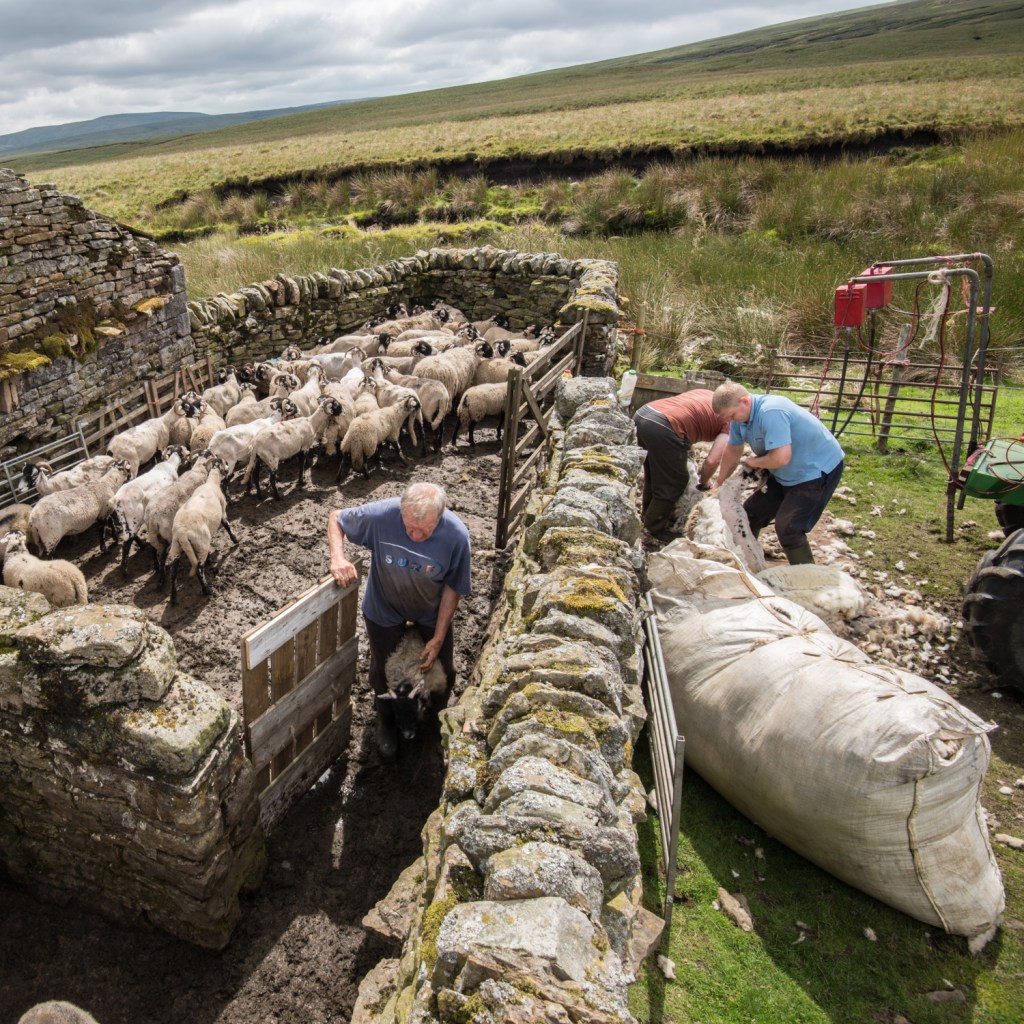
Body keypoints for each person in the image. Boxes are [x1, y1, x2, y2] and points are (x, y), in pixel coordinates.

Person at [327, 481, 471, 757]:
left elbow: (454, 587)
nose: (415, 536)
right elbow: (337, 518)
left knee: (444, 670)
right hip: (385, 605)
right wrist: (338, 558)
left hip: (430, 608)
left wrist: (439, 637)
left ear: (439, 519)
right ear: (401, 512)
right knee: (383, 670)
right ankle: (386, 720)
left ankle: (434, 719)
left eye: (424, 530)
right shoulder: (383, 516)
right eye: (409, 528)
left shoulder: (456, 537)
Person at [711, 381, 844, 565]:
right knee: (750, 515)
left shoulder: (771, 412)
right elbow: (733, 450)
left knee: (789, 528)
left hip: (815, 470)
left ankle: (807, 581)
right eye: (727, 418)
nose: (730, 421)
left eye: (731, 415)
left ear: (744, 401)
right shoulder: (739, 420)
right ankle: (748, 563)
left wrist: (755, 462)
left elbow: (781, 458)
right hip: (784, 470)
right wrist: (719, 483)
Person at [633, 388, 731, 541]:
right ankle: (654, 530)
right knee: (674, 482)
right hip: (664, 426)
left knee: (655, 475)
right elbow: (712, 461)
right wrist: (704, 482)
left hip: (643, 414)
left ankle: (646, 518)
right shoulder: (732, 420)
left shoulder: (709, 395)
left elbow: (688, 422)